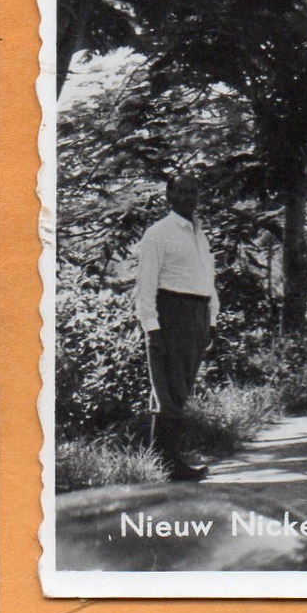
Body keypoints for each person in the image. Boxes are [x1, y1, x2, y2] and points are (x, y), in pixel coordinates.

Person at [134, 173, 218, 481]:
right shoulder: (159, 233)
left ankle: (165, 462)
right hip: (171, 314)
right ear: (169, 196)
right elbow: (146, 283)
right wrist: (151, 327)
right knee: (167, 388)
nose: (188, 198)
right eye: (181, 192)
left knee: (180, 390)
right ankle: (168, 465)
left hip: (196, 315)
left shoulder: (199, 233)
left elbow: (207, 280)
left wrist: (211, 320)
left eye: (193, 192)